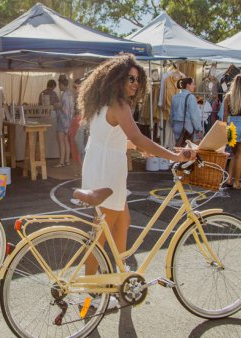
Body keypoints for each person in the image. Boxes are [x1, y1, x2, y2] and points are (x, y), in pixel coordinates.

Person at [79, 55, 195, 307]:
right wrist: (173, 155)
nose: (134, 83)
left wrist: (132, 145)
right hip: (106, 171)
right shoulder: (119, 104)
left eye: (137, 79)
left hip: (101, 165)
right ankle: (90, 290)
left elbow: (112, 136)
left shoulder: (103, 102)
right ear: (117, 78)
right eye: (130, 78)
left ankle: (120, 277)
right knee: (100, 233)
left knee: (122, 221)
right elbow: (138, 136)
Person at [170, 77, 203, 146]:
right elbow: (194, 116)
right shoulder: (191, 97)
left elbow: (171, 114)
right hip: (186, 127)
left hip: (176, 127)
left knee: (178, 148)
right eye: (193, 84)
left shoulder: (175, 97)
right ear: (188, 85)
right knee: (186, 150)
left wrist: (172, 125)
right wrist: (199, 129)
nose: (194, 86)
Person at [55, 77, 74, 167]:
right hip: (69, 120)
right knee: (66, 141)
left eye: (59, 85)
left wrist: (57, 106)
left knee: (61, 140)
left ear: (62, 84)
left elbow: (64, 109)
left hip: (63, 120)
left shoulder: (64, 95)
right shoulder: (70, 93)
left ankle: (61, 161)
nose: (59, 87)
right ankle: (67, 160)